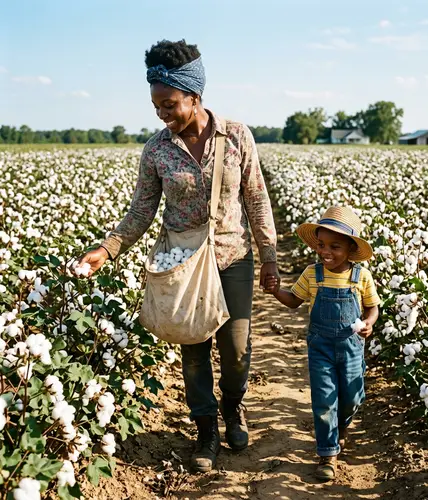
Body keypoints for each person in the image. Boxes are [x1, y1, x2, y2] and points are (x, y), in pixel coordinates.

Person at [78, 39, 279, 473]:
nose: (162, 113)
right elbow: (141, 210)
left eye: (169, 104)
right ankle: (206, 432)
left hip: (233, 257)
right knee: (193, 350)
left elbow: (258, 199)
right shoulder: (156, 150)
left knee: (237, 352)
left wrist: (269, 258)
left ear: (194, 96)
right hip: (183, 260)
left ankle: (233, 407)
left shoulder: (237, 136)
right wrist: (106, 249)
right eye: (156, 106)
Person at [265, 206, 379, 482]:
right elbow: (293, 301)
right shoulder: (311, 274)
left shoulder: (361, 276)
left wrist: (369, 323)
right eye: (322, 245)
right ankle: (328, 454)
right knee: (324, 400)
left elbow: (372, 307)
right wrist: (275, 290)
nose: (326, 251)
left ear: (351, 250)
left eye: (334, 246)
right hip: (321, 349)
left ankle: (342, 426)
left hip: (352, 347)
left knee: (351, 397)